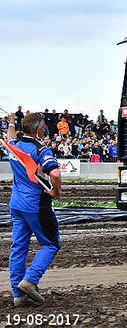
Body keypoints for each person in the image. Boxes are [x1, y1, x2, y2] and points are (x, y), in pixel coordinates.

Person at [5, 112, 62, 307]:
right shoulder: (40, 148)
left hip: (16, 204)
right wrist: (56, 192)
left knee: (19, 247)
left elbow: (10, 137)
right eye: (44, 125)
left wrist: (11, 122)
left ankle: (18, 295)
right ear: (38, 129)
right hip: (35, 205)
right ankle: (30, 281)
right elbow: (54, 173)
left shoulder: (14, 146)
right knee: (51, 244)